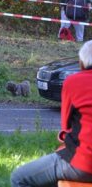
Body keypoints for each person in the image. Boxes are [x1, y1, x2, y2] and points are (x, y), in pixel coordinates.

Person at [11, 41, 92, 186]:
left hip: (84, 163)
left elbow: (65, 125)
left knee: (19, 178)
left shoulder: (73, 82)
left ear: (81, 63)